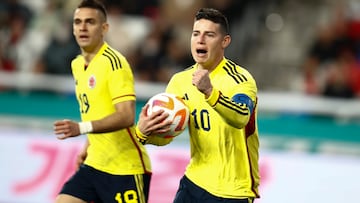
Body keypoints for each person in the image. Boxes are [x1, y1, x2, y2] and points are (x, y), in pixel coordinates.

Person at [136, 7, 260, 203]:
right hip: (194, 183)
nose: (200, 40)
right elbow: (168, 135)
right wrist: (144, 133)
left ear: (224, 41)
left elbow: (241, 116)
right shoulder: (179, 81)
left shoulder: (241, 80)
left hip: (234, 191)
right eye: (196, 34)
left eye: (209, 35)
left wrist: (210, 92)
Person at [53, 0, 152, 203]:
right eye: (78, 22)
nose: (83, 27)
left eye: (90, 22)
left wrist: (81, 128)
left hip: (125, 169)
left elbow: (125, 116)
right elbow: (97, 111)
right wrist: (87, 147)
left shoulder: (114, 63)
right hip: (95, 163)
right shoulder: (77, 65)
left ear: (104, 28)